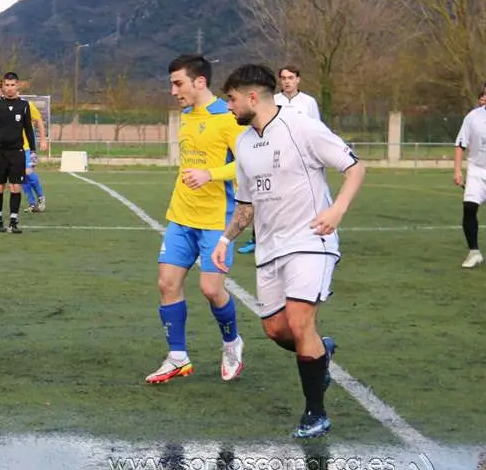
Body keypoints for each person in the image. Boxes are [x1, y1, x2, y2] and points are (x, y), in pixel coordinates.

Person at [213, 63, 366, 439]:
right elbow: (246, 205)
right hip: (270, 248)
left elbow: (355, 167)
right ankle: (321, 352)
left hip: (310, 240)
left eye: (231, 99)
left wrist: (337, 209)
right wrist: (224, 239)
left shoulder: (302, 127)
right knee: (277, 330)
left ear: (252, 97)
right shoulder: (244, 143)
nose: (228, 107)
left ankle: (315, 413)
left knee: (299, 322)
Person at [145, 54, 245, 385]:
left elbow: (246, 164)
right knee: (166, 284)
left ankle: (231, 343)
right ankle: (177, 357)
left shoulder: (229, 118)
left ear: (199, 81)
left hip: (217, 220)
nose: (173, 91)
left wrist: (210, 174)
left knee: (210, 289)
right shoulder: (186, 117)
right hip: (181, 215)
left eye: (178, 83)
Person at [239, 65, 322, 254]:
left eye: (291, 77)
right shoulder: (274, 100)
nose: (287, 81)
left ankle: (310, 237)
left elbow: (316, 129)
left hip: (298, 161)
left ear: (298, 79)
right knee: (265, 196)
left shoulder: (308, 102)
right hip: (272, 156)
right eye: (283, 78)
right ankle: (257, 238)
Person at [0, 71, 38, 233]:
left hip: (17, 152)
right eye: (7, 85)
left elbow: (28, 130)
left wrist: (33, 150)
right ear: (3, 86)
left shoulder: (24, 106)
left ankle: (13, 221)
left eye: (13, 85)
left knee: (15, 187)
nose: (10, 88)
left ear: (17, 86)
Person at [454, 81, 486, 269]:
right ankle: (474, 251)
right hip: (476, 170)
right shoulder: (473, 117)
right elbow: (460, 144)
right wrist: (458, 170)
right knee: (469, 208)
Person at [20, 90, 48, 213]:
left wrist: (42, 139)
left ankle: (41, 198)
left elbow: (39, 120)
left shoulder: (27, 105)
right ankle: (32, 204)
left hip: (27, 147)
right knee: (21, 177)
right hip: (13, 149)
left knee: (29, 172)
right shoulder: (3, 106)